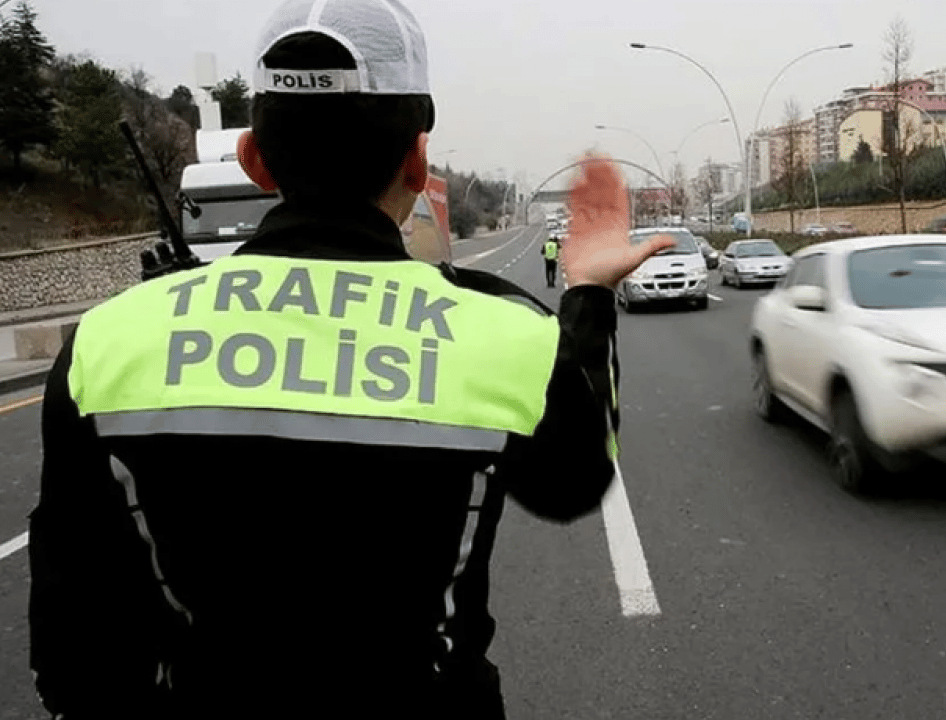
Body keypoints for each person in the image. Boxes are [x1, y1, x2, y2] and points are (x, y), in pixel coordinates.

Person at [27, 1, 673, 718]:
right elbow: (574, 483)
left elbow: (75, 638)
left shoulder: (107, 342)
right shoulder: (508, 334)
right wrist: (588, 296)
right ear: (417, 160)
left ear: (254, 159)